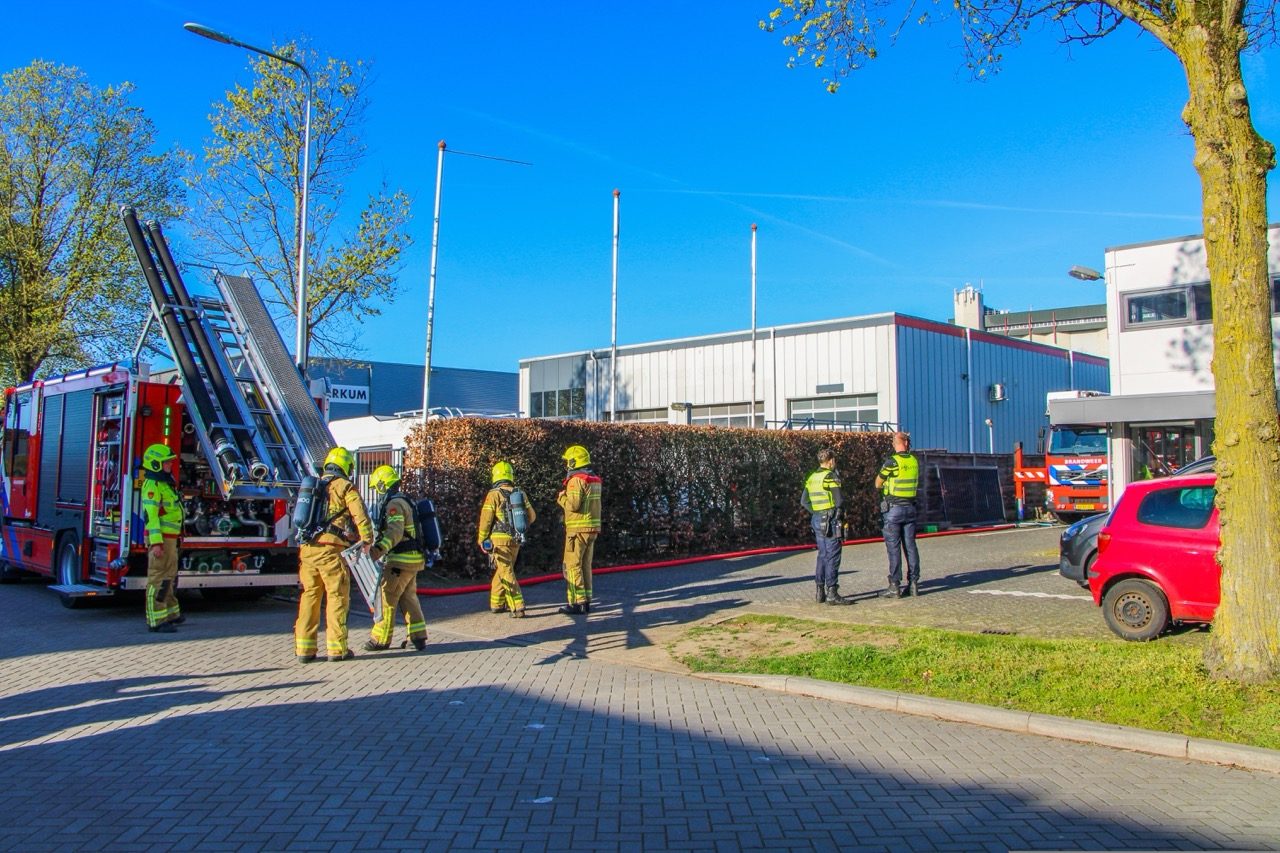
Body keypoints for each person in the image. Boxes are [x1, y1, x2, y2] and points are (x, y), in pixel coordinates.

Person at [295, 447, 373, 663]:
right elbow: (360, 515)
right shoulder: (345, 487)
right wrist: (367, 539)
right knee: (336, 596)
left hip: (308, 549)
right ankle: (337, 650)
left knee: (310, 596)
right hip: (331, 550)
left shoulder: (315, 487)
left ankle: (304, 650)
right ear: (346, 466)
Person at [363, 464, 428, 653]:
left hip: (400, 560)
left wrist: (376, 551)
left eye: (378, 488)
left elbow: (395, 532)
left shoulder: (394, 505)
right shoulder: (405, 500)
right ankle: (418, 636)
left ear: (383, 485)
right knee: (408, 597)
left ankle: (380, 639)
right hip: (413, 559)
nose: (377, 492)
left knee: (386, 598)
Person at [477, 461, 537, 618]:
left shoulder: (493, 494)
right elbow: (532, 516)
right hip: (516, 539)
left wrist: (482, 539)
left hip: (499, 540)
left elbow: (486, 520)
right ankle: (496, 604)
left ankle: (518, 606)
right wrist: (520, 528)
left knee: (506, 572)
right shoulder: (520, 493)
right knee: (504, 570)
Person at [140, 443, 185, 633]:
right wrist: (156, 542)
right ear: (156, 464)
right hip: (162, 540)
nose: (170, 465)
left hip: (170, 538)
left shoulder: (166, 484)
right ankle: (156, 620)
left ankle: (170, 613)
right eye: (166, 463)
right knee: (157, 578)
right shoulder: (152, 486)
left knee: (169, 577)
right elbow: (151, 517)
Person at [802, 447, 853, 605]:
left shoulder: (811, 478)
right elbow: (839, 501)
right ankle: (832, 592)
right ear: (830, 461)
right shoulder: (830, 476)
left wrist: (816, 512)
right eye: (834, 460)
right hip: (830, 519)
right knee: (833, 555)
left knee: (822, 555)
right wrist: (837, 515)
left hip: (817, 518)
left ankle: (820, 591)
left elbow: (804, 501)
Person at [556, 444, 601, 616]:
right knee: (585, 565)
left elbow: (573, 505)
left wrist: (562, 498)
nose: (567, 464)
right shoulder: (594, 479)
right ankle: (587, 600)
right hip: (592, 529)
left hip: (577, 530)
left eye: (568, 461)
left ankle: (576, 602)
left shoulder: (576, 481)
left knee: (572, 565)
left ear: (574, 462)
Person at [876, 431, 921, 598]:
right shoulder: (914, 461)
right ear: (907, 443)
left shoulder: (891, 462)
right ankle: (914, 583)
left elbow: (877, 483)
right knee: (910, 546)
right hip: (910, 508)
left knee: (893, 548)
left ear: (895, 444)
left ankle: (895, 585)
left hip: (893, 510)